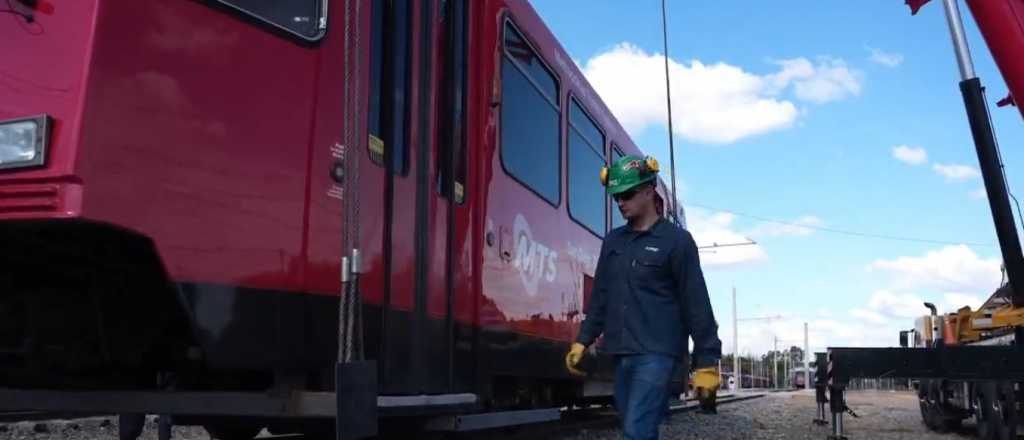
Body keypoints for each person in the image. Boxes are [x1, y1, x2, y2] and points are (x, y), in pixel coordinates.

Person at [565, 155, 722, 439]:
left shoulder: (677, 242)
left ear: (649, 191)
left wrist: (707, 362)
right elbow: (601, 297)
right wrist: (582, 341)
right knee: (635, 426)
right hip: (621, 353)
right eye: (616, 197)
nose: (620, 202)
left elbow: (696, 303)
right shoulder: (613, 242)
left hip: (658, 354)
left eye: (626, 195)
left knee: (636, 428)